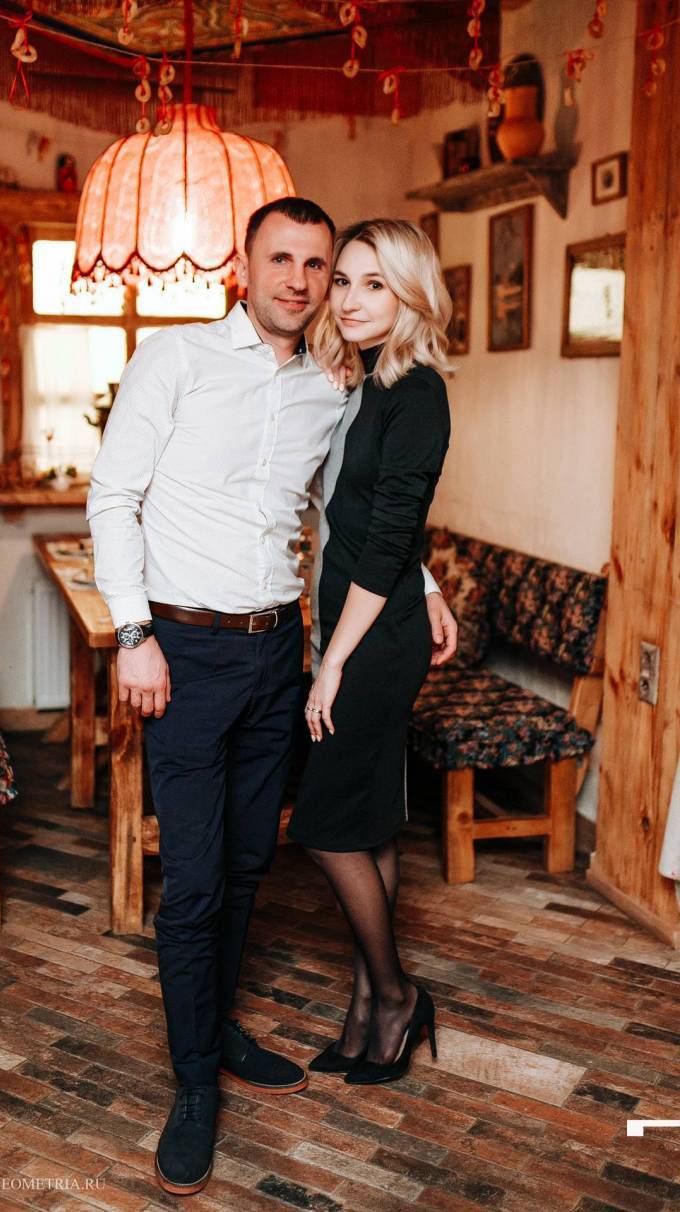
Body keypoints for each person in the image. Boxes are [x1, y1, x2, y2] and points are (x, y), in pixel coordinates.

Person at [87, 198, 457, 1196]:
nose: (300, 280)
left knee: (251, 863)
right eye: (281, 259)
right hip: (181, 652)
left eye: (317, 264)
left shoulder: (336, 385)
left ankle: (218, 1032)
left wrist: (422, 583)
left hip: (274, 654)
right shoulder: (175, 360)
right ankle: (193, 1085)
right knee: (195, 881)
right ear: (241, 267)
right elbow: (112, 496)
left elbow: (367, 505)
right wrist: (133, 636)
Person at [287, 218, 452, 1086]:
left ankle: (396, 996)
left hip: (375, 643)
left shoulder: (417, 392)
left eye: (373, 284)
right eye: (344, 281)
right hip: (364, 621)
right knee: (369, 823)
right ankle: (363, 1015)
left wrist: (333, 662)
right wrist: (429, 581)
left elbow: (386, 541)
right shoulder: (368, 379)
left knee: (323, 826)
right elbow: (369, 521)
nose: (348, 299)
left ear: (410, 292)